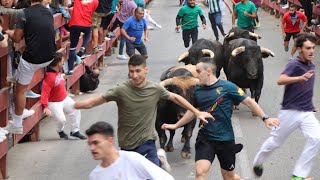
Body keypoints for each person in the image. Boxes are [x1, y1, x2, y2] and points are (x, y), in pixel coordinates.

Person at [74, 54, 213, 170]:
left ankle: (156, 160)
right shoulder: (120, 90)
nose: (134, 76)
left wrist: (197, 112)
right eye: (131, 71)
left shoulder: (155, 89)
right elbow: (96, 100)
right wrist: (76, 105)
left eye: (138, 71)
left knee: (148, 173)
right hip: (126, 144)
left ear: (146, 70)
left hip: (147, 143)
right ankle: (159, 159)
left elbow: (176, 98)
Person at [162, 57, 279, 180]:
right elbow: (193, 112)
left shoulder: (228, 87)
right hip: (205, 138)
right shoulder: (197, 90)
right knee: (200, 173)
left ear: (208, 72)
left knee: (229, 177)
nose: (196, 74)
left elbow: (249, 102)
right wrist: (176, 125)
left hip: (225, 139)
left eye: (198, 71)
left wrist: (265, 118)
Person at [252, 33, 320, 180]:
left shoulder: (311, 65)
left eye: (313, 48)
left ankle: (298, 175)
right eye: (308, 48)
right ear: (300, 49)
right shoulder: (294, 64)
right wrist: (299, 78)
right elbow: (280, 80)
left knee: (316, 138)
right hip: (289, 112)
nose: (311, 51)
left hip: (307, 112)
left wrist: (311, 104)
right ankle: (258, 161)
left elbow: (307, 87)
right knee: (276, 142)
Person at [4, 0, 56, 134]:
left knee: (19, 90)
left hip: (33, 60)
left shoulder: (24, 13)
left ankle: (17, 125)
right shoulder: (49, 12)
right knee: (24, 73)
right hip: (50, 56)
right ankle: (19, 77)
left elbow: (16, 38)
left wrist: (9, 32)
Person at [87, 121, 175, 180]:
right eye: (89, 144)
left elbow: (164, 178)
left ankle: (159, 158)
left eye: (96, 143)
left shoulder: (132, 159)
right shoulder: (95, 176)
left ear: (110, 141)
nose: (92, 148)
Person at [40, 52, 87, 140]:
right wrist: (45, 107)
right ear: (58, 63)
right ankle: (60, 131)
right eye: (62, 61)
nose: (63, 62)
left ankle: (75, 131)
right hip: (54, 102)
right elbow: (44, 92)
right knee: (62, 120)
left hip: (64, 99)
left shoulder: (58, 70)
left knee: (76, 108)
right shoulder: (50, 77)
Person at [67, 0, 98, 74]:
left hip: (75, 24)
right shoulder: (95, 1)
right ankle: (83, 47)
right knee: (88, 33)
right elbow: (93, 10)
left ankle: (70, 70)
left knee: (72, 48)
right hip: (87, 24)